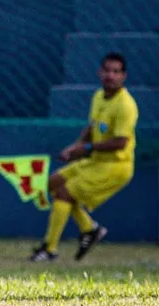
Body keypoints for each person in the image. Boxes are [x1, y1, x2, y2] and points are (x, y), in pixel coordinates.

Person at [30, 52, 138, 262]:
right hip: (96, 160)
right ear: (99, 72)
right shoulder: (98, 96)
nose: (110, 75)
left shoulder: (126, 105)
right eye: (107, 70)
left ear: (123, 76)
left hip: (116, 166)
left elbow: (121, 142)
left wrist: (86, 148)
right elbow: (91, 128)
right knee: (53, 183)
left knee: (64, 193)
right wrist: (73, 148)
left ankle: (49, 249)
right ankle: (89, 229)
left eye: (116, 72)